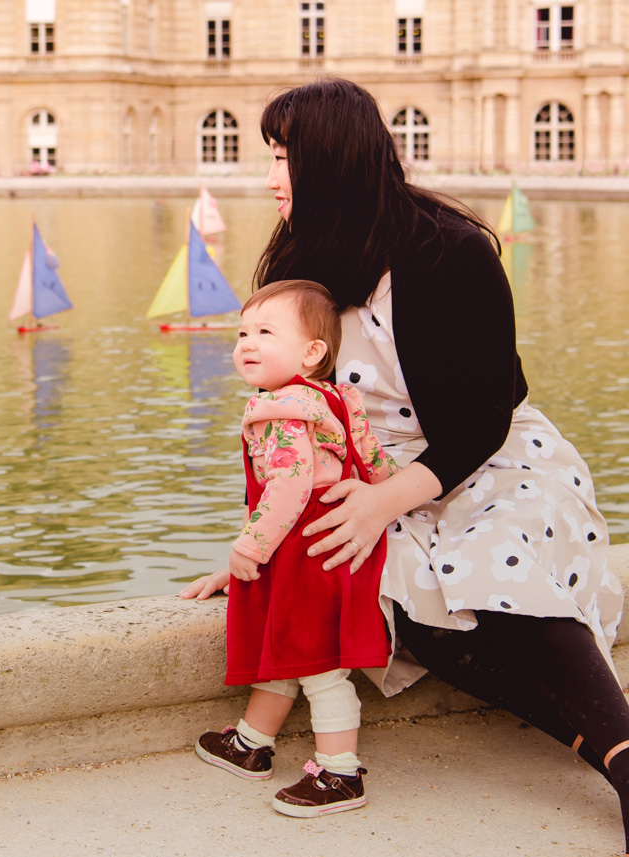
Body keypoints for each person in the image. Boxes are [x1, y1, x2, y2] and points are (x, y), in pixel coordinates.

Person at [242, 77, 628, 852]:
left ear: (332, 162)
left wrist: (390, 501)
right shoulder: (300, 260)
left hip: (487, 456)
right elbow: (280, 417)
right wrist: (255, 538)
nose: (271, 177)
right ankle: (619, 759)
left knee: (502, 565)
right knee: (392, 598)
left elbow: (481, 417)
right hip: (366, 474)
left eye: (285, 158)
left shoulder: (450, 252)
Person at [180, 279, 398, 817]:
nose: (246, 344)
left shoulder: (280, 409)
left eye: (264, 333)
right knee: (286, 650)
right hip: (331, 546)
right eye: (242, 333)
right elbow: (375, 464)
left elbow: (289, 485)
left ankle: (341, 772)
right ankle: (252, 741)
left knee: (320, 666)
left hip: (303, 553)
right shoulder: (335, 400)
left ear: (312, 351)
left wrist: (247, 548)